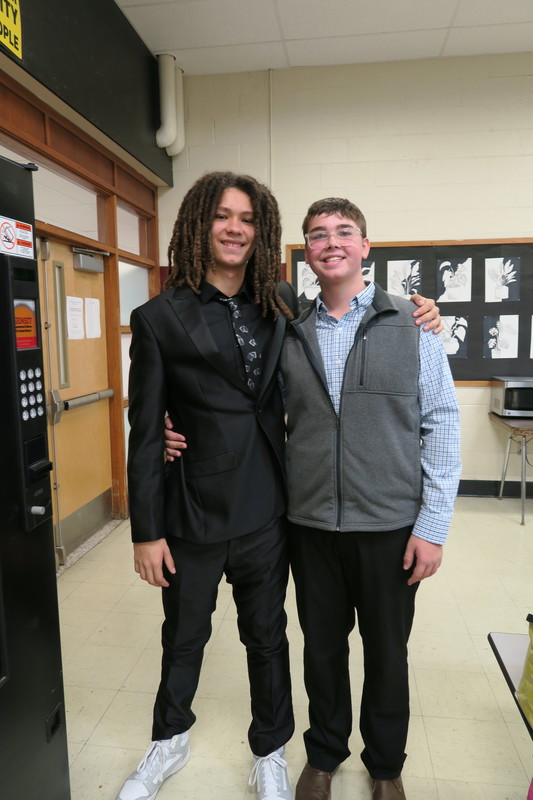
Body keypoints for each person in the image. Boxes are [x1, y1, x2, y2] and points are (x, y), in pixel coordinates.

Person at [124, 171, 441, 800]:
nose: (235, 228)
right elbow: (143, 426)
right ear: (198, 224)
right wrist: (146, 528)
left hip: (271, 509)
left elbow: (354, 314)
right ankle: (168, 741)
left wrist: (424, 309)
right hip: (192, 507)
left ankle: (270, 749)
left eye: (247, 218)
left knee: (267, 638)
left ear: (261, 231)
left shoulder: (281, 304)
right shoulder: (158, 317)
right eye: (222, 216)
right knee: (183, 634)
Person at [281, 198, 461, 800]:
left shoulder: (413, 325)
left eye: (343, 232)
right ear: (307, 252)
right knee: (322, 650)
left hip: (389, 526)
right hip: (311, 526)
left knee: (388, 654)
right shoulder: (289, 329)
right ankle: (325, 754)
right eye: (316, 234)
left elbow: (440, 425)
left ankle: (385, 766)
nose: (330, 242)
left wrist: (432, 528)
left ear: (365, 247)